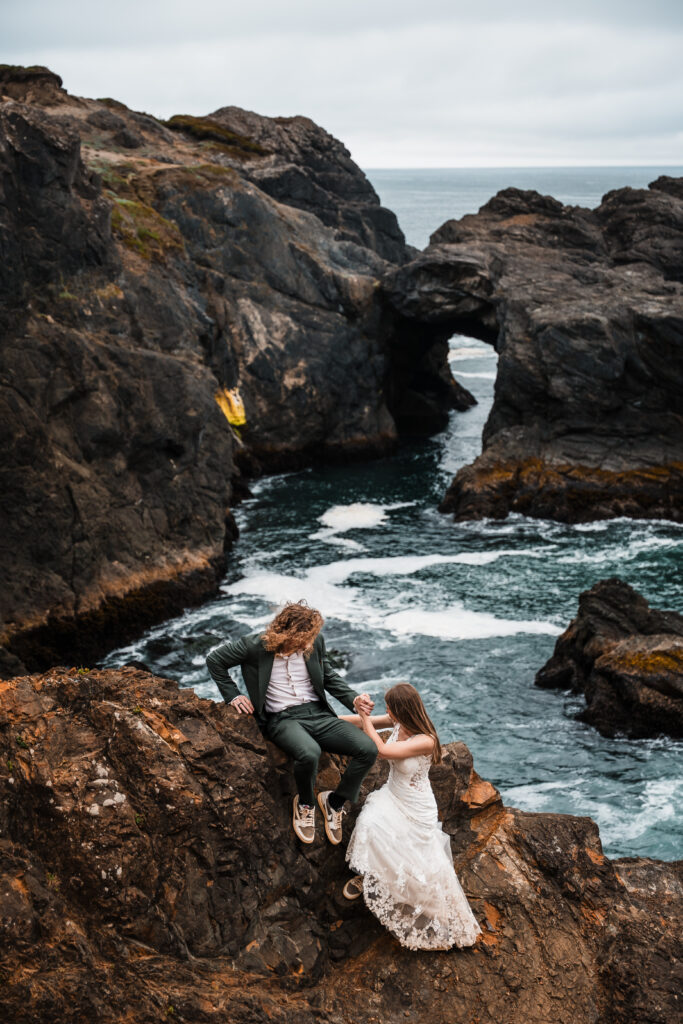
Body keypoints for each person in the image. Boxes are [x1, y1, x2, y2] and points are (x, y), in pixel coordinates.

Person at [206, 601, 377, 845]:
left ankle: (334, 803)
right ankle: (306, 805)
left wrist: (354, 699)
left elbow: (328, 675)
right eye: (305, 638)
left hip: (319, 714)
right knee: (309, 754)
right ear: (288, 635)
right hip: (281, 718)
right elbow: (215, 660)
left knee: (368, 749)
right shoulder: (254, 646)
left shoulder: (315, 643)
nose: (310, 643)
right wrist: (233, 694)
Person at [342, 683, 481, 951]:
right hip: (392, 796)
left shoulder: (426, 739)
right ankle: (372, 874)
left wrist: (363, 717)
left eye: (389, 707)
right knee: (369, 824)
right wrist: (318, 718)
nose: (387, 712)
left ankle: (432, 908)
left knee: (419, 864)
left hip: (417, 807)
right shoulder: (396, 722)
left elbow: (382, 751)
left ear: (402, 709)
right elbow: (362, 723)